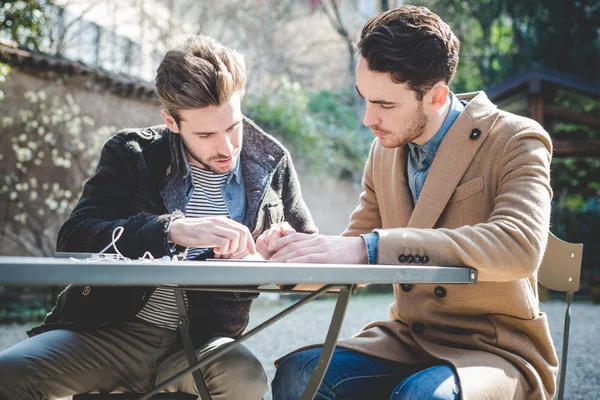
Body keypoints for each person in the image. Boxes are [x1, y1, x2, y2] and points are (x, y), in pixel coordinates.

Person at [0, 35, 316, 400]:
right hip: (108, 332)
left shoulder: (272, 164)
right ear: (171, 121)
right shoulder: (131, 153)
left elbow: (309, 265)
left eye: (233, 126)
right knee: (7, 374)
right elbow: (75, 236)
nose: (226, 147)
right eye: (206, 134)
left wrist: (273, 253)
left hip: (202, 345)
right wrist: (173, 230)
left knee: (244, 378)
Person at [269, 6, 558, 400]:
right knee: (298, 375)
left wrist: (372, 248)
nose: (368, 119)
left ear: (437, 96)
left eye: (386, 105)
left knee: (423, 396)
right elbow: (350, 258)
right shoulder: (383, 152)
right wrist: (281, 256)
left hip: (494, 348)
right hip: (407, 340)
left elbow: (518, 247)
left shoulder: (516, 139)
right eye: (365, 99)